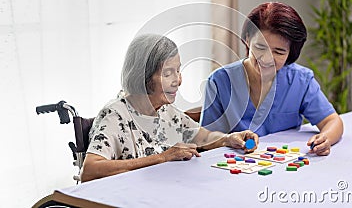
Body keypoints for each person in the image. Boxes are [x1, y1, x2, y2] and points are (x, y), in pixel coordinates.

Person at [81, 34, 258, 182]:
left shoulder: (165, 111)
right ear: (142, 76)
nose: (178, 81)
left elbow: (204, 137)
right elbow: (89, 170)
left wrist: (229, 139)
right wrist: (162, 158)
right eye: (167, 73)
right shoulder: (115, 114)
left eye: (178, 71)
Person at [200, 2, 344, 156]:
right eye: (260, 47)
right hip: (237, 167)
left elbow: (332, 121)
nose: (267, 59)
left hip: (286, 164)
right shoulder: (220, 82)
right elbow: (204, 139)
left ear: (290, 53)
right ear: (247, 39)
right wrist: (226, 139)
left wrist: (325, 138)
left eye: (279, 52)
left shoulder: (300, 80)